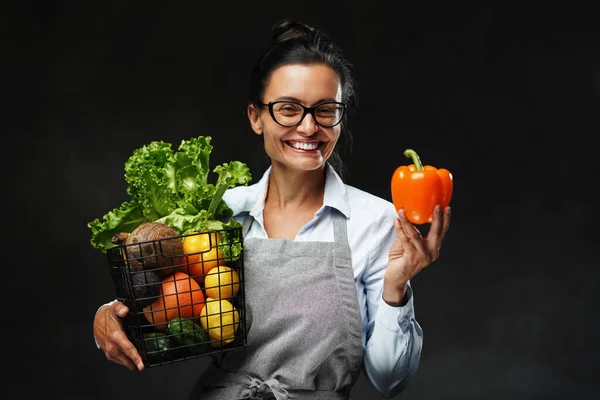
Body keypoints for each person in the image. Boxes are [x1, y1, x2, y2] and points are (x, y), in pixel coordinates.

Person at [93, 19, 451, 400]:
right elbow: (169, 296)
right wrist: (107, 318)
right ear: (255, 117)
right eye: (288, 108)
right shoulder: (222, 214)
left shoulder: (376, 221)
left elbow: (390, 381)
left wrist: (396, 288)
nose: (309, 126)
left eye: (326, 110)